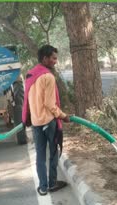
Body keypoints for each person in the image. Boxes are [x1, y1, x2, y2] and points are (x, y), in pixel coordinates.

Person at [22, 45, 70, 196]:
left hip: (36, 123)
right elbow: (50, 104)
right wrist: (63, 115)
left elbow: (28, 102)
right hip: (49, 122)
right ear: (45, 59)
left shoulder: (30, 75)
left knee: (40, 156)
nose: (55, 61)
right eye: (53, 58)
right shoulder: (48, 77)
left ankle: (43, 187)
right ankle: (52, 183)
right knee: (54, 153)